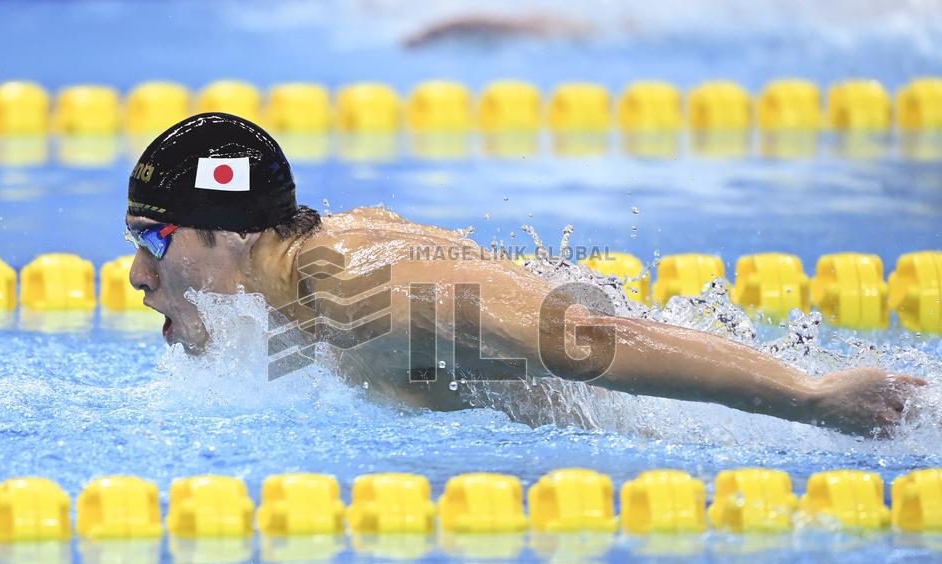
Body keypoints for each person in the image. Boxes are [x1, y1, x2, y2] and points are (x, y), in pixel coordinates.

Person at [125, 113, 927, 437]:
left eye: (152, 240)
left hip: (678, 431)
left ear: (223, 231)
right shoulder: (309, 277)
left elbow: (586, 338)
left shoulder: (360, 291)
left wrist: (811, 398)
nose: (137, 275)